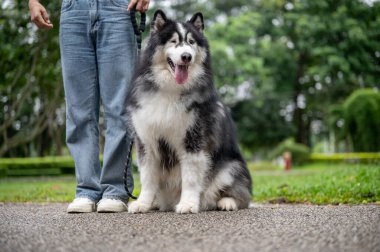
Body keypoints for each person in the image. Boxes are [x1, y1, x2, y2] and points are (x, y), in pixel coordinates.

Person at [28, 0, 150, 213]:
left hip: (119, 9)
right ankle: (86, 189)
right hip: (73, 10)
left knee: (119, 107)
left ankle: (115, 189)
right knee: (78, 110)